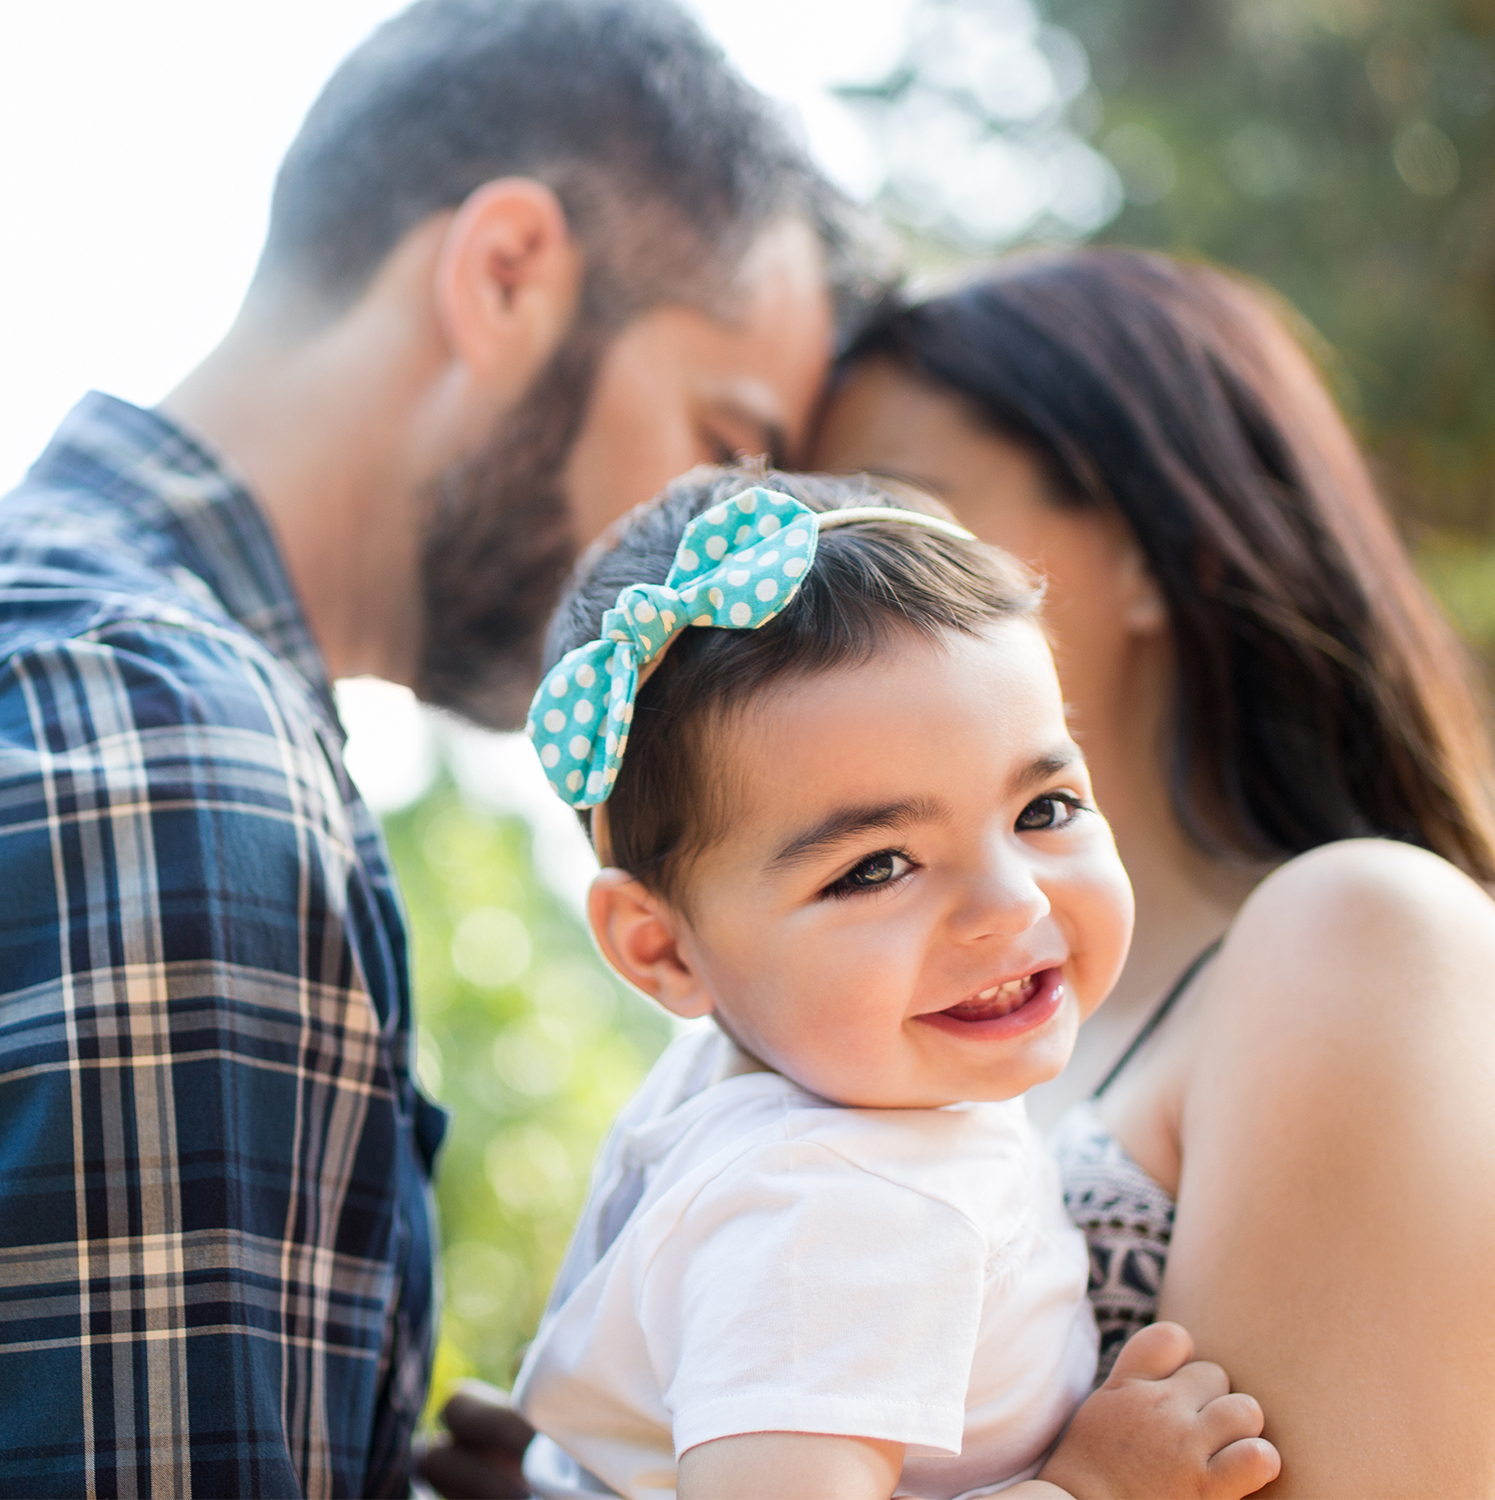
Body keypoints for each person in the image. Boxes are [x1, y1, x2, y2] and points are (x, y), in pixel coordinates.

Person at [0, 0, 873, 1493]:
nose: (739, 574)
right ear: (507, 272)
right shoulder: (176, 755)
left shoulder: (101, 673)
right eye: (726, 448)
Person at [809, 248, 1495, 1498]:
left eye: (894, 516)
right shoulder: (857, 1034)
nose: (819, 590)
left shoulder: (1359, 937)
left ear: (1152, 549)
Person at [506, 468, 1279, 1500]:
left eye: (1044, 807)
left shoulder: (759, 1103)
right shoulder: (833, 1211)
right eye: (876, 867)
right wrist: (1092, 1488)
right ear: (664, 951)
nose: (1009, 903)